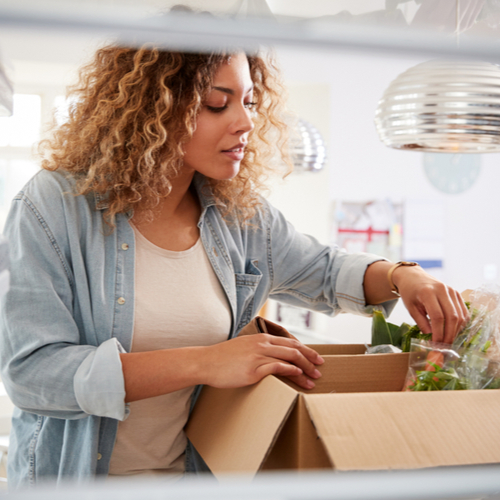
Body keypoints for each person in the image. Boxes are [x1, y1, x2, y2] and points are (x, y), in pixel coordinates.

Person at [0, 43, 468, 489]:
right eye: (216, 104)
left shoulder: (238, 217)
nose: (245, 121)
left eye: (248, 100)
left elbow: (326, 271)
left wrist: (405, 275)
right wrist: (206, 363)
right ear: (153, 108)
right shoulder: (54, 205)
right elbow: (34, 375)